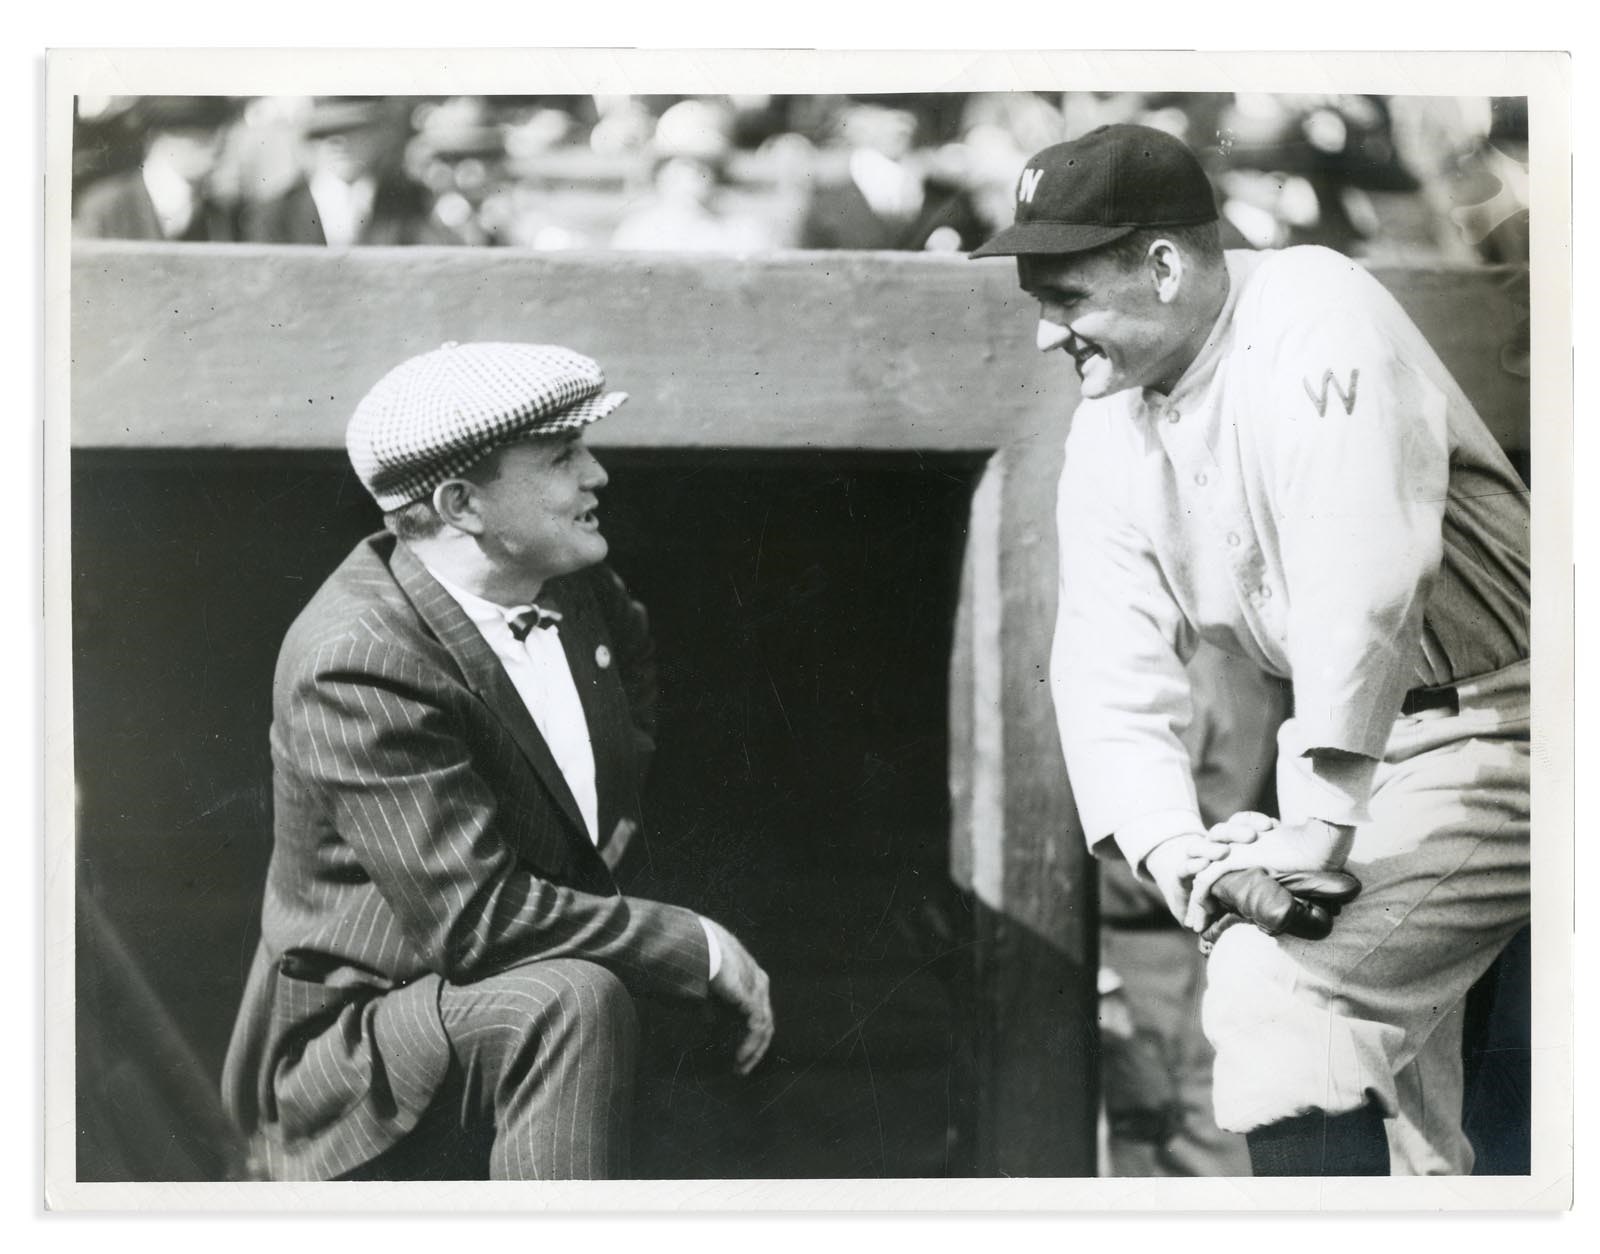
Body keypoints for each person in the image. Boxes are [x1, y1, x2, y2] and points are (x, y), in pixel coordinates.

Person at [970, 124, 1530, 1176]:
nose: (1047, 333)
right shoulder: (1113, 419)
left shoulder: (1312, 307)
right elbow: (1104, 660)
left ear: (1165, 266)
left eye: (1065, 295)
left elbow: (1361, 581)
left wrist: (1313, 830)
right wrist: (1177, 850)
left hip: (1526, 724)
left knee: (1279, 1002)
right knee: (1427, 1153)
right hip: (1380, 758)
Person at [221, 342, 774, 1180]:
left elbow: (632, 727)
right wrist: (694, 944)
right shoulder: (357, 657)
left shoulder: (580, 590)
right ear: (460, 503)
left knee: (673, 1018)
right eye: (562, 457)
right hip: (361, 1058)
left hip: (507, 988)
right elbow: (476, 923)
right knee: (572, 1000)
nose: (598, 478)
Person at [241, 97, 444, 247]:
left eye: (352, 130)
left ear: (378, 136)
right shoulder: (276, 213)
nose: (337, 142)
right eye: (323, 133)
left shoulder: (411, 203)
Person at [73, 96, 241, 242]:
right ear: (157, 137)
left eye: (215, 135)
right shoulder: (105, 206)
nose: (214, 146)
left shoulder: (218, 212)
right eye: (194, 137)